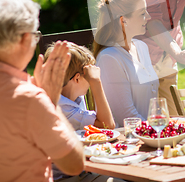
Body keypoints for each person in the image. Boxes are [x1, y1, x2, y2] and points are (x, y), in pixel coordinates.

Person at [0, 0, 84, 182]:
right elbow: (74, 165)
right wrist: (52, 103)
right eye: (35, 36)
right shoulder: (30, 100)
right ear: (26, 39)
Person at [45, 42, 125, 182]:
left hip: (78, 169)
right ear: (77, 78)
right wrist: (96, 82)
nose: (90, 81)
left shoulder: (71, 98)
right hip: (63, 178)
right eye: (88, 77)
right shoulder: (63, 109)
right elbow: (107, 125)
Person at [93, 0, 159, 123]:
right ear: (123, 20)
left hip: (150, 133)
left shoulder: (141, 47)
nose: (148, 17)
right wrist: (157, 132)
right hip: (129, 140)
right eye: (142, 13)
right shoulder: (109, 58)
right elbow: (127, 116)